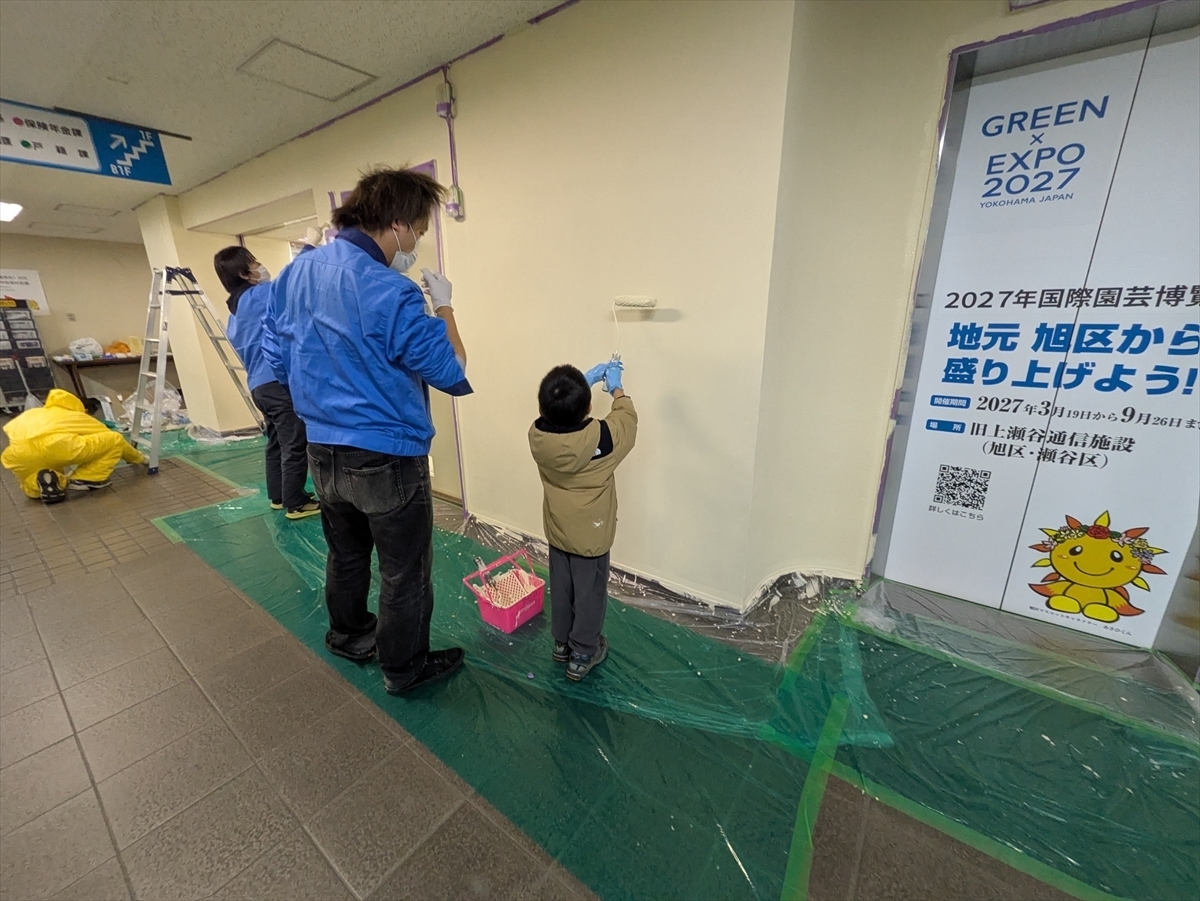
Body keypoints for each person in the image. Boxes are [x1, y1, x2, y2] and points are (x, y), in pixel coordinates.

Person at [273, 167, 472, 695]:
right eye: (419, 232)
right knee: (404, 572)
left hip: (322, 448)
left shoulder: (296, 273)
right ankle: (404, 669)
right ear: (399, 224)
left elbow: (274, 352)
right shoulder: (391, 290)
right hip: (385, 456)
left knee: (346, 553)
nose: (416, 245)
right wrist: (444, 306)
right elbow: (452, 370)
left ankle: (348, 634)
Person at [528, 359, 637, 681]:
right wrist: (617, 389)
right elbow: (627, 421)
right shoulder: (603, 439)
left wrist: (578, 388)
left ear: (543, 408)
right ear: (589, 407)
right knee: (589, 594)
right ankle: (582, 653)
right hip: (592, 536)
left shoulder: (537, 437)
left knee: (562, 588)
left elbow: (556, 419)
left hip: (558, 529)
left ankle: (561, 644)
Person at [214, 246, 319, 520]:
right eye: (254, 262)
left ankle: (279, 496)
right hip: (275, 384)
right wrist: (308, 248)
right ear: (243, 273)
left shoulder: (234, 314)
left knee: (276, 441)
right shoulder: (259, 295)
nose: (260, 266)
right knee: (294, 442)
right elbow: (291, 281)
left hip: (259, 387)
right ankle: (296, 503)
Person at [1, 389, 147, 503]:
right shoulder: (78, 416)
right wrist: (140, 458)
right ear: (85, 410)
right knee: (113, 439)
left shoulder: (34, 413)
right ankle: (86, 478)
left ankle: (41, 483)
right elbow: (116, 442)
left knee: (31, 483)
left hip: (18, 454)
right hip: (58, 446)